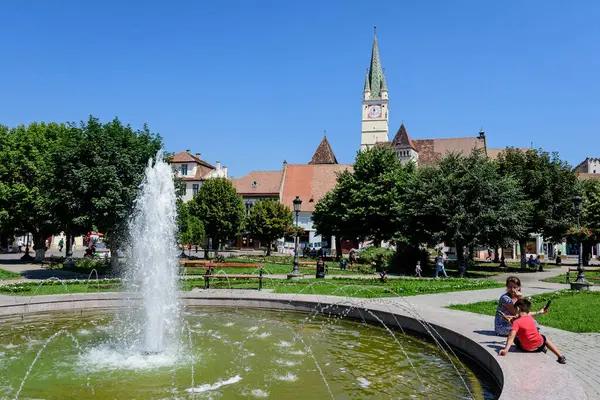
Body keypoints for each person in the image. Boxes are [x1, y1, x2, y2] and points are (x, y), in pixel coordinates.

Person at [499, 299, 566, 364]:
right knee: (544, 338)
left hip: (527, 349)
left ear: (518, 308)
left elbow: (511, 336)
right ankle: (560, 356)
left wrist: (506, 350)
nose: (515, 312)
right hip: (540, 346)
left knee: (515, 339)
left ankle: (532, 346)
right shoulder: (530, 318)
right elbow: (524, 319)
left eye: (515, 310)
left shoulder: (516, 322)